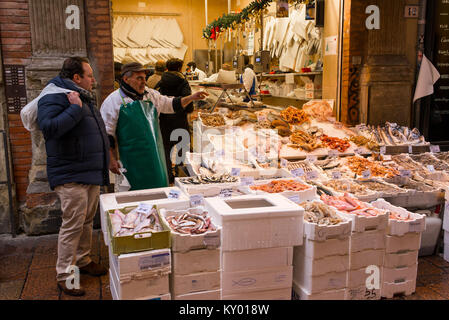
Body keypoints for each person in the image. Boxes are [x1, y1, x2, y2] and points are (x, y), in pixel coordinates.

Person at [37, 57, 110, 297]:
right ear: (76, 77)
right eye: (89, 75)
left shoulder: (80, 94)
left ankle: (83, 260)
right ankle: (66, 277)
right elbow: (49, 128)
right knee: (72, 226)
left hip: (88, 171)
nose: (94, 79)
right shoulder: (55, 96)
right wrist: (74, 108)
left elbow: (96, 131)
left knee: (87, 221)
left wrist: (108, 161)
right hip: (71, 174)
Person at [100, 62, 208, 190]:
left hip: (155, 157)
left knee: (158, 193)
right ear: (126, 79)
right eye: (139, 78)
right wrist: (111, 158)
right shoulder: (113, 101)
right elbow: (107, 134)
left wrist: (191, 97)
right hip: (130, 161)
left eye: (144, 78)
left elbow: (171, 104)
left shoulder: (150, 95)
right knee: (133, 196)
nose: (143, 82)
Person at [155, 58, 194, 184]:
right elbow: (188, 104)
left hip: (165, 122)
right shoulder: (183, 82)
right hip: (180, 121)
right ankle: (178, 172)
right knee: (181, 146)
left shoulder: (161, 82)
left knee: (166, 148)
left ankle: (168, 175)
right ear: (179, 68)